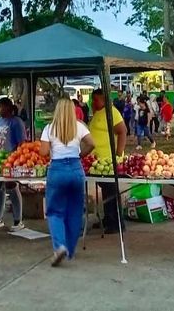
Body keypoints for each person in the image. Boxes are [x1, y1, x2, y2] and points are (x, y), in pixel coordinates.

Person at [40, 98, 95, 266]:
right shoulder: (79, 126)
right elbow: (92, 144)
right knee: (74, 211)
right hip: (75, 169)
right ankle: (70, 250)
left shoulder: (49, 128)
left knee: (55, 211)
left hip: (57, 170)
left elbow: (43, 152)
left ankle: (60, 246)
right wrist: (80, 154)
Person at [88, 88, 127, 234]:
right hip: (99, 161)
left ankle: (117, 222)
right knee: (105, 189)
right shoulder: (98, 113)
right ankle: (108, 218)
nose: (93, 102)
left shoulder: (112, 112)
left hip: (109, 160)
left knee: (111, 190)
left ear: (104, 100)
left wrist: (118, 154)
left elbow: (123, 131)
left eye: (96, 99)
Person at [0, 97, 25, 231]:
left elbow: (22, 143)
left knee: (11, 185)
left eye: (0, 106)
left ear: (8, 107)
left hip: (11, 159)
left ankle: (18, 219)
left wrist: (18, 158)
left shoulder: (16, 122)